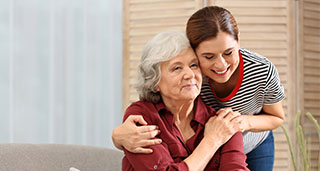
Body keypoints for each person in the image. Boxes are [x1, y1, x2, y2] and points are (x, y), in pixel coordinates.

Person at [113, 6, 285, 171]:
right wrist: (117, 137)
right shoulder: (145, 117)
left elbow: (276, 117)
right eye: (177, 68)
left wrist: (240, 123)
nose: (220, 64)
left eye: (193, 65)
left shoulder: (259, 72)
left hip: (247, 134)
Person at [120, 31, 249, 170]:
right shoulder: (141, 117)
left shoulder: (223, 122)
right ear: (155, 81)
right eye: (177, 68)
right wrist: (212, 140)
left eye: (194, 65)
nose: (189, 74)